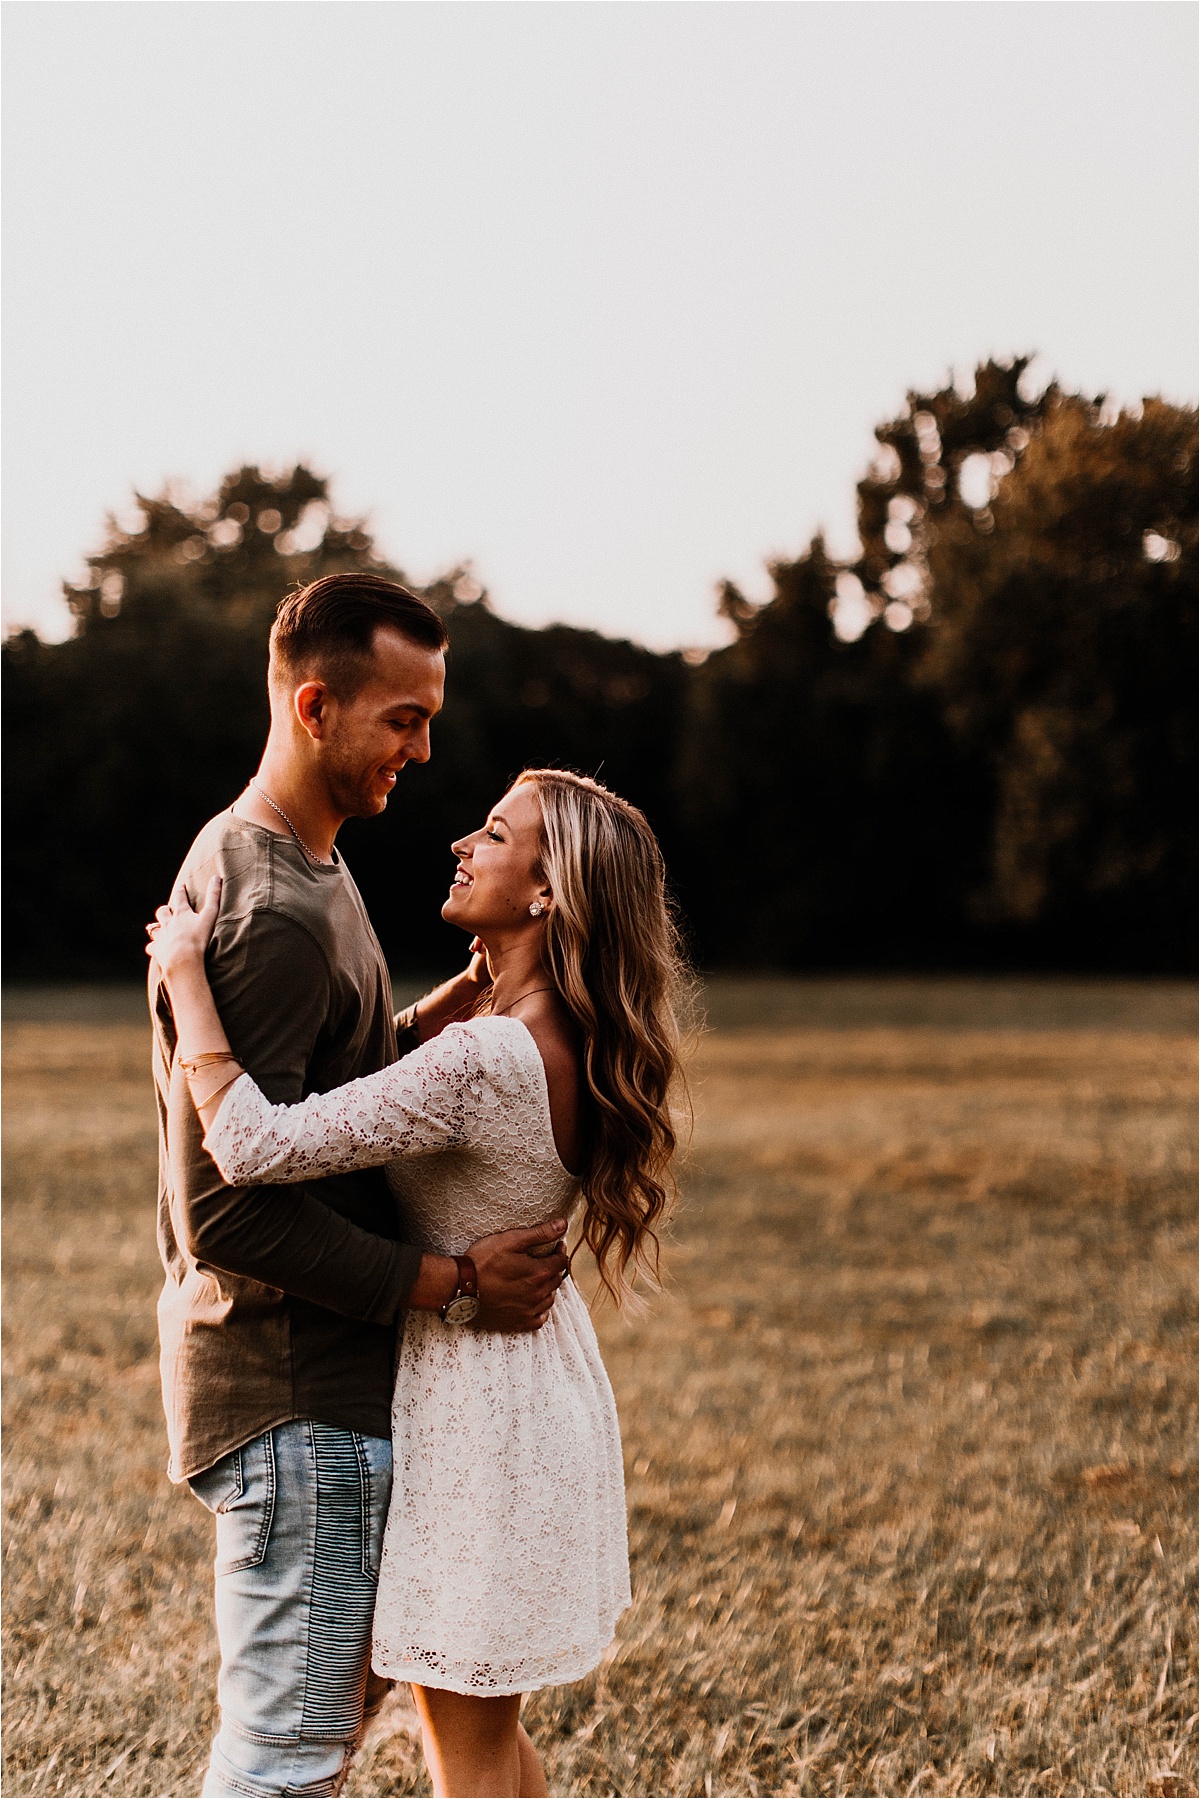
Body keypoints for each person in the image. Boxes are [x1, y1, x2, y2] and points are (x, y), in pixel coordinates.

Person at [147, 765, 690, 1798]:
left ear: (547, 892)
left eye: (494, 833)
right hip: (527, 1388)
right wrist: (453, 998)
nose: (461, 845)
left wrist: (183, 977)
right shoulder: (543, 1032)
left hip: (476, 1408)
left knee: (469, 1750)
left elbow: (255, 1146)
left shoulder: (488, 1055)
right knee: (480, 1732)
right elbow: (388, 1093)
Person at [149, 573, 569, 1799]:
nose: (424, 749)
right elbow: (225, 1204)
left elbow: (317, 1086)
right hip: (299, 1399)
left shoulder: (289, 863)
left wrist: (422, 1020)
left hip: (318, 1394)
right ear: (318, 704)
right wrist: (446, 1281)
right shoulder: (276, 909)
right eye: (403, 718)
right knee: (284, 1763)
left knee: (298, 1744)